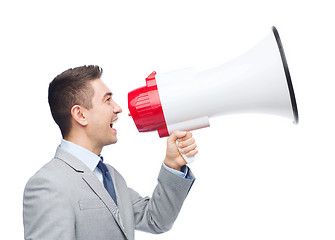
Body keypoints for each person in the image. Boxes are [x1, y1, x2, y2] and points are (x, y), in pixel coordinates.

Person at [23, 65, 198, 240]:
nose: (118, 108)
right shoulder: (48, 185)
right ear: (80, 115)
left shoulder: (112, 177)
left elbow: (155, 220)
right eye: (107, 100)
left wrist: (173, 165)